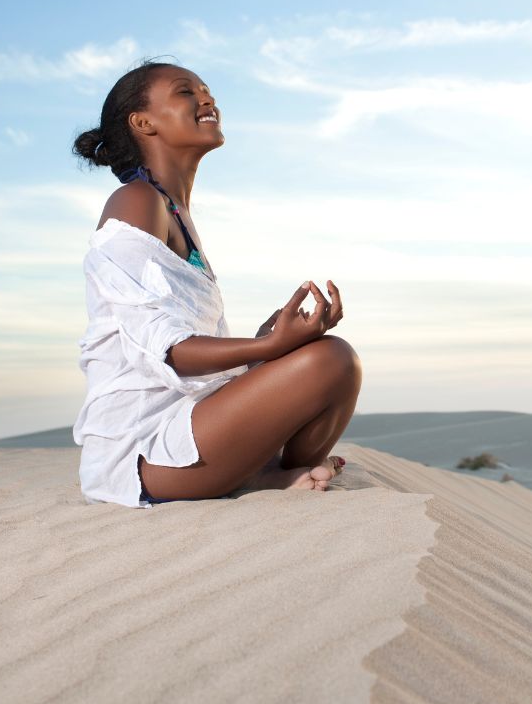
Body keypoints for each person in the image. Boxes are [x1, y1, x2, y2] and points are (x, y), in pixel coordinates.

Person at [70, 57, 362, 508]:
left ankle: (272, 477)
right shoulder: (136, 201)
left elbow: (193, 357)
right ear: (143, 122)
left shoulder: (173, 212)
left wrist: (273, 344)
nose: (207, 98)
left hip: (193, 423)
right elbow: (166, 351)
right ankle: (267, 476)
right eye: (187, 92)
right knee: (330, 359)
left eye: (207, 90)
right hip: (145, 452)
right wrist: (267, 349)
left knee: (328, 362)